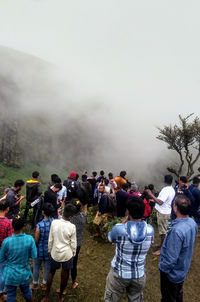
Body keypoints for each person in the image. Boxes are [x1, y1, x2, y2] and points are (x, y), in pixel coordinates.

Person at [104, 196, 154, 302]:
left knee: (112, 298)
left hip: (119, 273)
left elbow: (110, 238)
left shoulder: (119, 229)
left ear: (128, 212)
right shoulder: (150, 230)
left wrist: (123, 222)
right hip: (139, 274)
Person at [159, 195, 197, 302]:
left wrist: (162, 268)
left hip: (172, 275)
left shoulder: (176, 231)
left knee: (168, 298)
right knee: (178, 295)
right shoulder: (192, 223)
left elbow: (170, 260)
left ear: (175, 208)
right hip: (182, 269)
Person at [42, 203, 77, 302]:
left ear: (63, 212)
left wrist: (49, 250)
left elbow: (50, 239)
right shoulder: (72, 227)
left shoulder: (54, 222)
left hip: (55, 253)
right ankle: (60, 296)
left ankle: (46, 297)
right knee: (65, 275)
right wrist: (73, 254)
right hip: (67, 254)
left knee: (51, 272)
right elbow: (73, 243)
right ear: (71, 217)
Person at [0, 215, 37, 302]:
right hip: (24, 273)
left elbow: (1, 259)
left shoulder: (6, 241)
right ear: (24, 225)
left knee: (11, 295)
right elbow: (34, 255)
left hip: (10, 275)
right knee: (27, 293)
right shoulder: (30, 239)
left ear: (12, 226)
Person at [146, 175, 175, 256]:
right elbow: (164, 201)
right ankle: (162, 245)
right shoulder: (172, 189)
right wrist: (154, 199)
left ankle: (162, 249)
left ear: (164, 181)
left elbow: (160, 202)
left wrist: (150, 194)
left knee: (163, 232)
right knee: (166, 230)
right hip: (168, 212)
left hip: (163, 214)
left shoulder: (165, 190)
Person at [31, 203, 55, 291]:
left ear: (43, 212)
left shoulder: (39, 226)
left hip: (39, 250)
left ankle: (35, 284)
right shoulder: (54, 223)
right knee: (47, 267)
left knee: (36, 266)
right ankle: (44, 284)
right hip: (49, 250)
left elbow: (36, 240)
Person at [0, 199, 13, 302]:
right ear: (7, 209)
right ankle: (1, 292)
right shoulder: (8, 223)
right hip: (3, 253)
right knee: (2, 272)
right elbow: (9, 240)